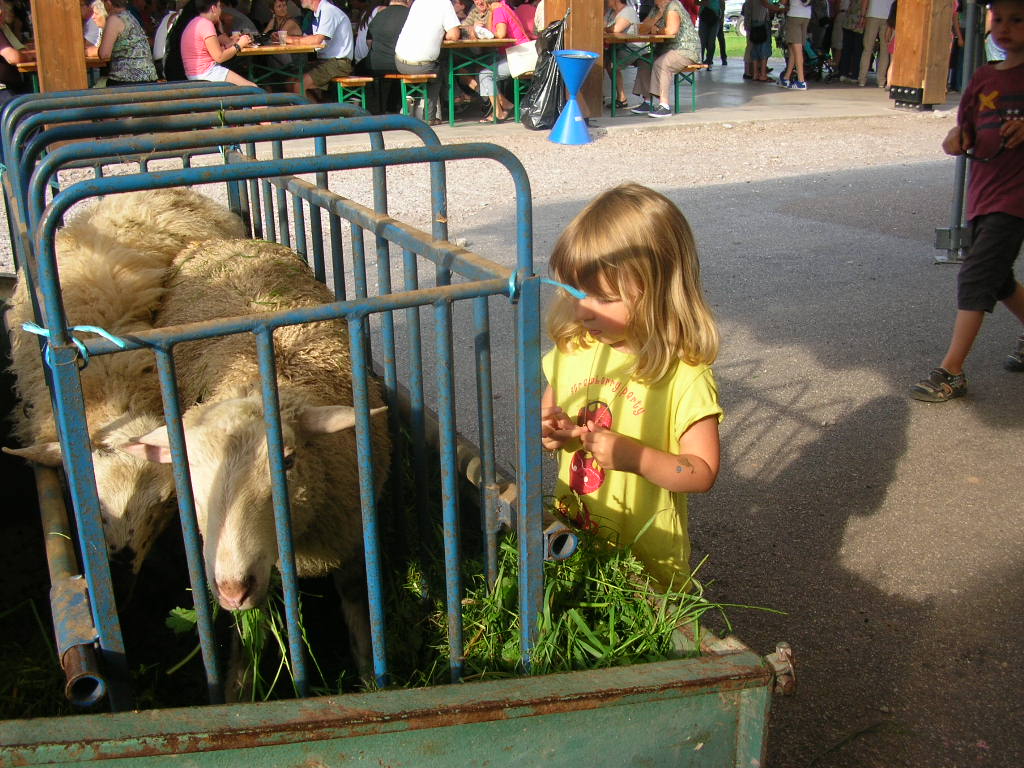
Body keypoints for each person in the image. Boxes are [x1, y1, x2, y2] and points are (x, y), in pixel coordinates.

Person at [540, 183, 722, 590]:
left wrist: (637, 457)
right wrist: (553, 430)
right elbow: (552, 416)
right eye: (575, 292)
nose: (583, 309)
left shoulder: (683, 375)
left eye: (603, 298)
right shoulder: (573, 348)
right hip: (577, 531)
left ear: (657, 292)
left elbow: (702, 471)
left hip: (648, 558)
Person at [911, 0, 1024, 402]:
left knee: (977, 276)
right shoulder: (984, 76)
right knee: (997, 278)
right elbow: (963, 131)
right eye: (999, 20)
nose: (1005, 27)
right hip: (983, 194)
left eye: (1018, 19)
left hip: (1015, 200)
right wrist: (957, 138)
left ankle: (952, 371)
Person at [629, 0, 701, 117]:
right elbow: (641, 30)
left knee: (662, 63)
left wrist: (657, 30)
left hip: (685, 49)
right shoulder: (656, 9)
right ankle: (647, 102)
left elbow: (671, 31)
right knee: (645, 60)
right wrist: (658, 16)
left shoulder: (673, 6)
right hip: (665, 49)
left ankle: (664, 105)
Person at [393, 0, 461, 124]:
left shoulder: (418, 2)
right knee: (439, 72)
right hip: (422, 66)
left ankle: (411, 97)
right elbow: (454, 35)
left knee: (429, 69)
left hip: (400, 61)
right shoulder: (444, 4)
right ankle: (429, 117)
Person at [280, 0, 354, 100]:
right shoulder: (317, 13)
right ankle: (317, 113)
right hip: (327, 61)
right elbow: (306, 38)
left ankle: (310, 115)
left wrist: (288, 39)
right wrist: (287, 38)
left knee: (299, 85)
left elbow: (316, 40)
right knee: (290, 83)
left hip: (339, 62)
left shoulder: (328, 10)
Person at [180, 0, 256, 85]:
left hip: (195, 74)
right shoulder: (206, 24)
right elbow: (219, 57)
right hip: (207, 73)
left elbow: (210, 52)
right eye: (219, 6)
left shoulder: (195, 22)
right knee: (253, 87)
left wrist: (230, 44)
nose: (221, 10)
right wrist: (239, 44)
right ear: (213, 8)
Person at [98, 0, 160, 85]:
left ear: (108, 3)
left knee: (100, 84)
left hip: (127, 80)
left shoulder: (115, 19)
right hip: (149, 78)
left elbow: (104, 54)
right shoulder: (130, 16)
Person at [366, 0, 410, 112]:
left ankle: (374, 109)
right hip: (401, 64)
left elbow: (369, 42)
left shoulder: (379, 15)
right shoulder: (410, 14)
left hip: (376, 65)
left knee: (361, 68)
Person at [604, 0, 643, 109]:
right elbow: (602, 27)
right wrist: (607, 29)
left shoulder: (628, 11)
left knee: (611, 64)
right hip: (618, 47)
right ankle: (599, 96)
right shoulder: (610, 12)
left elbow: (616, 29)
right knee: (600, 60)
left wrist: (607, 29)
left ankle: (622, 98)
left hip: (633, 48)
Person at [779, 0, 812, 88]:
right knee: (793, 49)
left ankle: (801, 81)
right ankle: (786, 78)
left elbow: (783, 2)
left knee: (797, 49)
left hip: (794, 15)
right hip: (806, 15)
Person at [857, 0, 889, 86]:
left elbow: (865, 1)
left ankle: (862, 79)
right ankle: (881, 80)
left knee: (867, 49)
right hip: (888, 16)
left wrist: (862, 16)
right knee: (884, 51)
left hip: (872, 14)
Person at [0, 1, 25, 107]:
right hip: (3, 89)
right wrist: (26, 57)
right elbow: (14, 58)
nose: (1, 11)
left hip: (9, 87)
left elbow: (19, 47)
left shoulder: (3, 29)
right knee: (27, 117)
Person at [696, 0, 721, 67]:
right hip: (704, 15)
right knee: (702, 40)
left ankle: (709, 60)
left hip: (715, 16)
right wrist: (703, 3)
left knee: (711, 40)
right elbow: (696, 2)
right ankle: (700, 60)